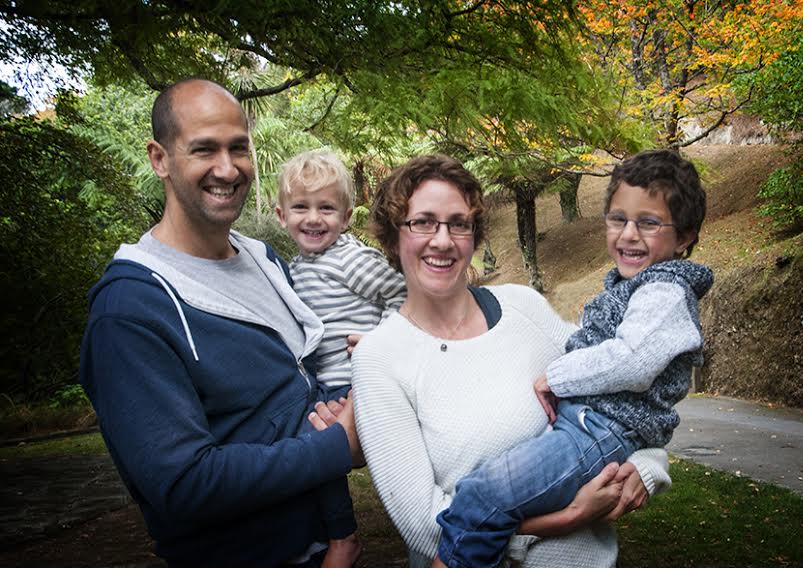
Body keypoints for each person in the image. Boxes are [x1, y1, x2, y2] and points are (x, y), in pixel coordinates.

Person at [79, 78, 362, 568]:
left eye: (239, 148)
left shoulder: (264, 260)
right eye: (204, 149)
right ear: (160, 158)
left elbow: (294, 387)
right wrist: (339, 446)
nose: (227, 169)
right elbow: (184, 483)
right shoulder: (130, 310)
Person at [349, 154, 673, 568]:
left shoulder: (524, 308)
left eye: (458, 223)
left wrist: (646, 468)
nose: (443, 240)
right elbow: (427, 529)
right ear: (394, 236)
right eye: (423, 222)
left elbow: (625, 387)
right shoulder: (379, 358)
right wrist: (569, 517)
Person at [433, 149, 714, 568]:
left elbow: (631, 363)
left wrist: (555, 377)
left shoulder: (665, 292)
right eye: (618, 219)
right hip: (588, 427)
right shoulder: (636, 287)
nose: (628, 234)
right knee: (483, 494)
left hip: (598, 432)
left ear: (685, 236)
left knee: (483, 494)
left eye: (649, 222)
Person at [275, 149, 406, 564]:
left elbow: (402, 293)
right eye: (301, 207)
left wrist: (377, 339)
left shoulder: (351, 258)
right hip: (325, 382)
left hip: (359, 378)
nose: (313, 218)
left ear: (346, 216)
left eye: (326, 208)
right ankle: (340, 534)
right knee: (317, 457)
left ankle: (347, 537)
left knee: (339, 453)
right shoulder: (294, 268)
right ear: (281, 215)